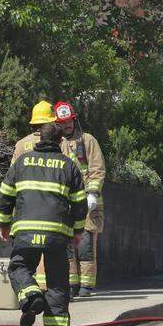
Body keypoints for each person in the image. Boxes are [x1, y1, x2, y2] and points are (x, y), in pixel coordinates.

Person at [0, 123, 88, 326]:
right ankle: (56, 325)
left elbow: (5, 196)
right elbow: (79, 203)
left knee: (19, 267)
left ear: (40, 138)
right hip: (57, 233)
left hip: (26, 231)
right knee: (57, 278)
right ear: (60, 141)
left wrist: (3, 224)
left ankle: (31, 296)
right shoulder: (69, 165)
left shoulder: (21, 162)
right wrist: (77, 231)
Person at [52, 101, 106, 297]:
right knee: (66, 245)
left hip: (87, 203)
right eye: (62, 123)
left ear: (74, 120)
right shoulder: (56, 143)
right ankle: (71, 284)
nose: (67, 126)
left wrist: (92, 193)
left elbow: (97, 169)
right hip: (65, 203)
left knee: (85, 246)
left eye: (69, 122)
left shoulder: (88, 140)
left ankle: (86, 286)